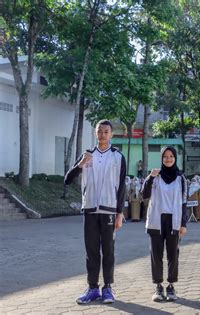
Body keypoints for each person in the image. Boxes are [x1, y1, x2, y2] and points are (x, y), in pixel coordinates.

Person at [64, 119, 126, 304]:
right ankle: (92, 288)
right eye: (99, 131)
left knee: (108, 250)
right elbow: (68, 180)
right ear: (95, 133)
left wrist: (120, 213)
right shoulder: (87, 155)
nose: (102, 135)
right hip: (90, 210)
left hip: (109, 210)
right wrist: (80, 164)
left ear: (111, 134)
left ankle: (107, 288)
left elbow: (121, 186)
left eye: (106, 132)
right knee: (91, 251)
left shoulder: (117, 157)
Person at [141, 146, 188, 302]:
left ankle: (171, 286)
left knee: (173, 255)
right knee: (156, 255)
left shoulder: (181, 178)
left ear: (175, 158)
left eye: (171, 156)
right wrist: (150, 178)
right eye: (165, 156)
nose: (168, 159)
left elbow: (184, 202)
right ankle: (158, 287)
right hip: (156, 220)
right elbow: (144, 195)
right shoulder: (155, 176)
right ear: (161, 158)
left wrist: (183, 224)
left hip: (174, 221)